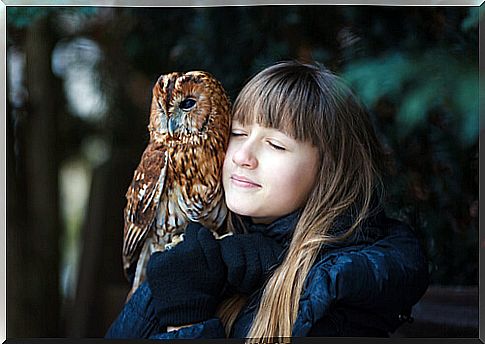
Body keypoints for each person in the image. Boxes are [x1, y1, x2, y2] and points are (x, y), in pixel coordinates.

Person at [105, 60, 429, 341]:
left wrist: (186, 318)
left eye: (275, 144)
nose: (244, 156)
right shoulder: (214, 254)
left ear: (330, 170)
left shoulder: (339, 291)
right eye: (237, 133)